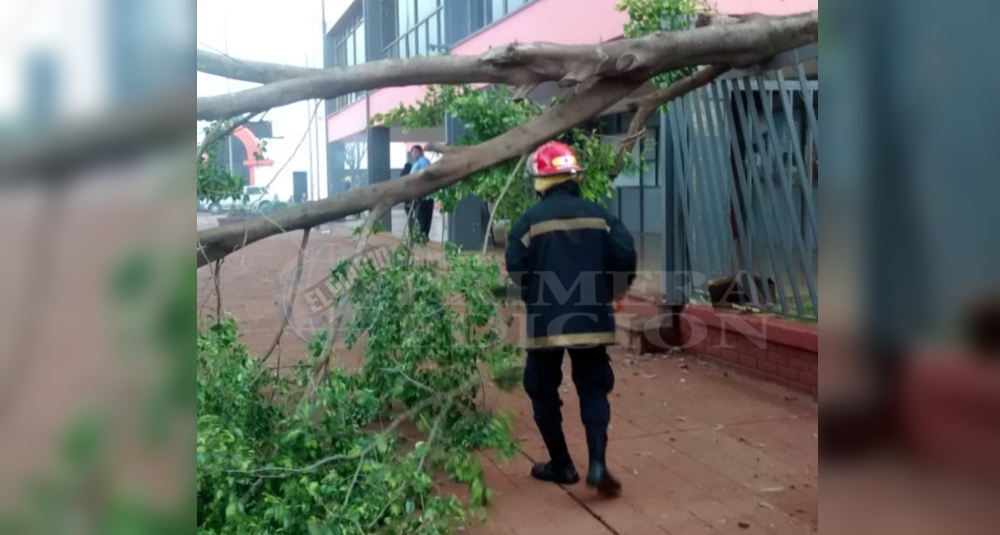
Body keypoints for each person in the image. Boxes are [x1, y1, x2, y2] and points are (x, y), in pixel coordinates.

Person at [505, 141, 637, 497]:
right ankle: (597, 464)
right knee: (593, 387)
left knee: (541, 386)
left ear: (541, 180)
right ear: (573, 175)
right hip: (592, 317)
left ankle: (562, 464)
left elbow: (515, 267)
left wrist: (535, 294)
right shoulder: (600, 215)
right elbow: (625, 252)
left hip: (546, 322)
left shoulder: (528, 222)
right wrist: (615, 290)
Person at [408, 145, 435, 239]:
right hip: (420, 195)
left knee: (424, 217)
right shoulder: (417, 163)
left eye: (416, 151)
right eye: (413, 152)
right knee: (421, 217)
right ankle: (422, 235)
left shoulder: (423, 161)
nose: (414, 153)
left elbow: (427, 174)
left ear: (421, 152)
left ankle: (423, 236)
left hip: (424, 196)